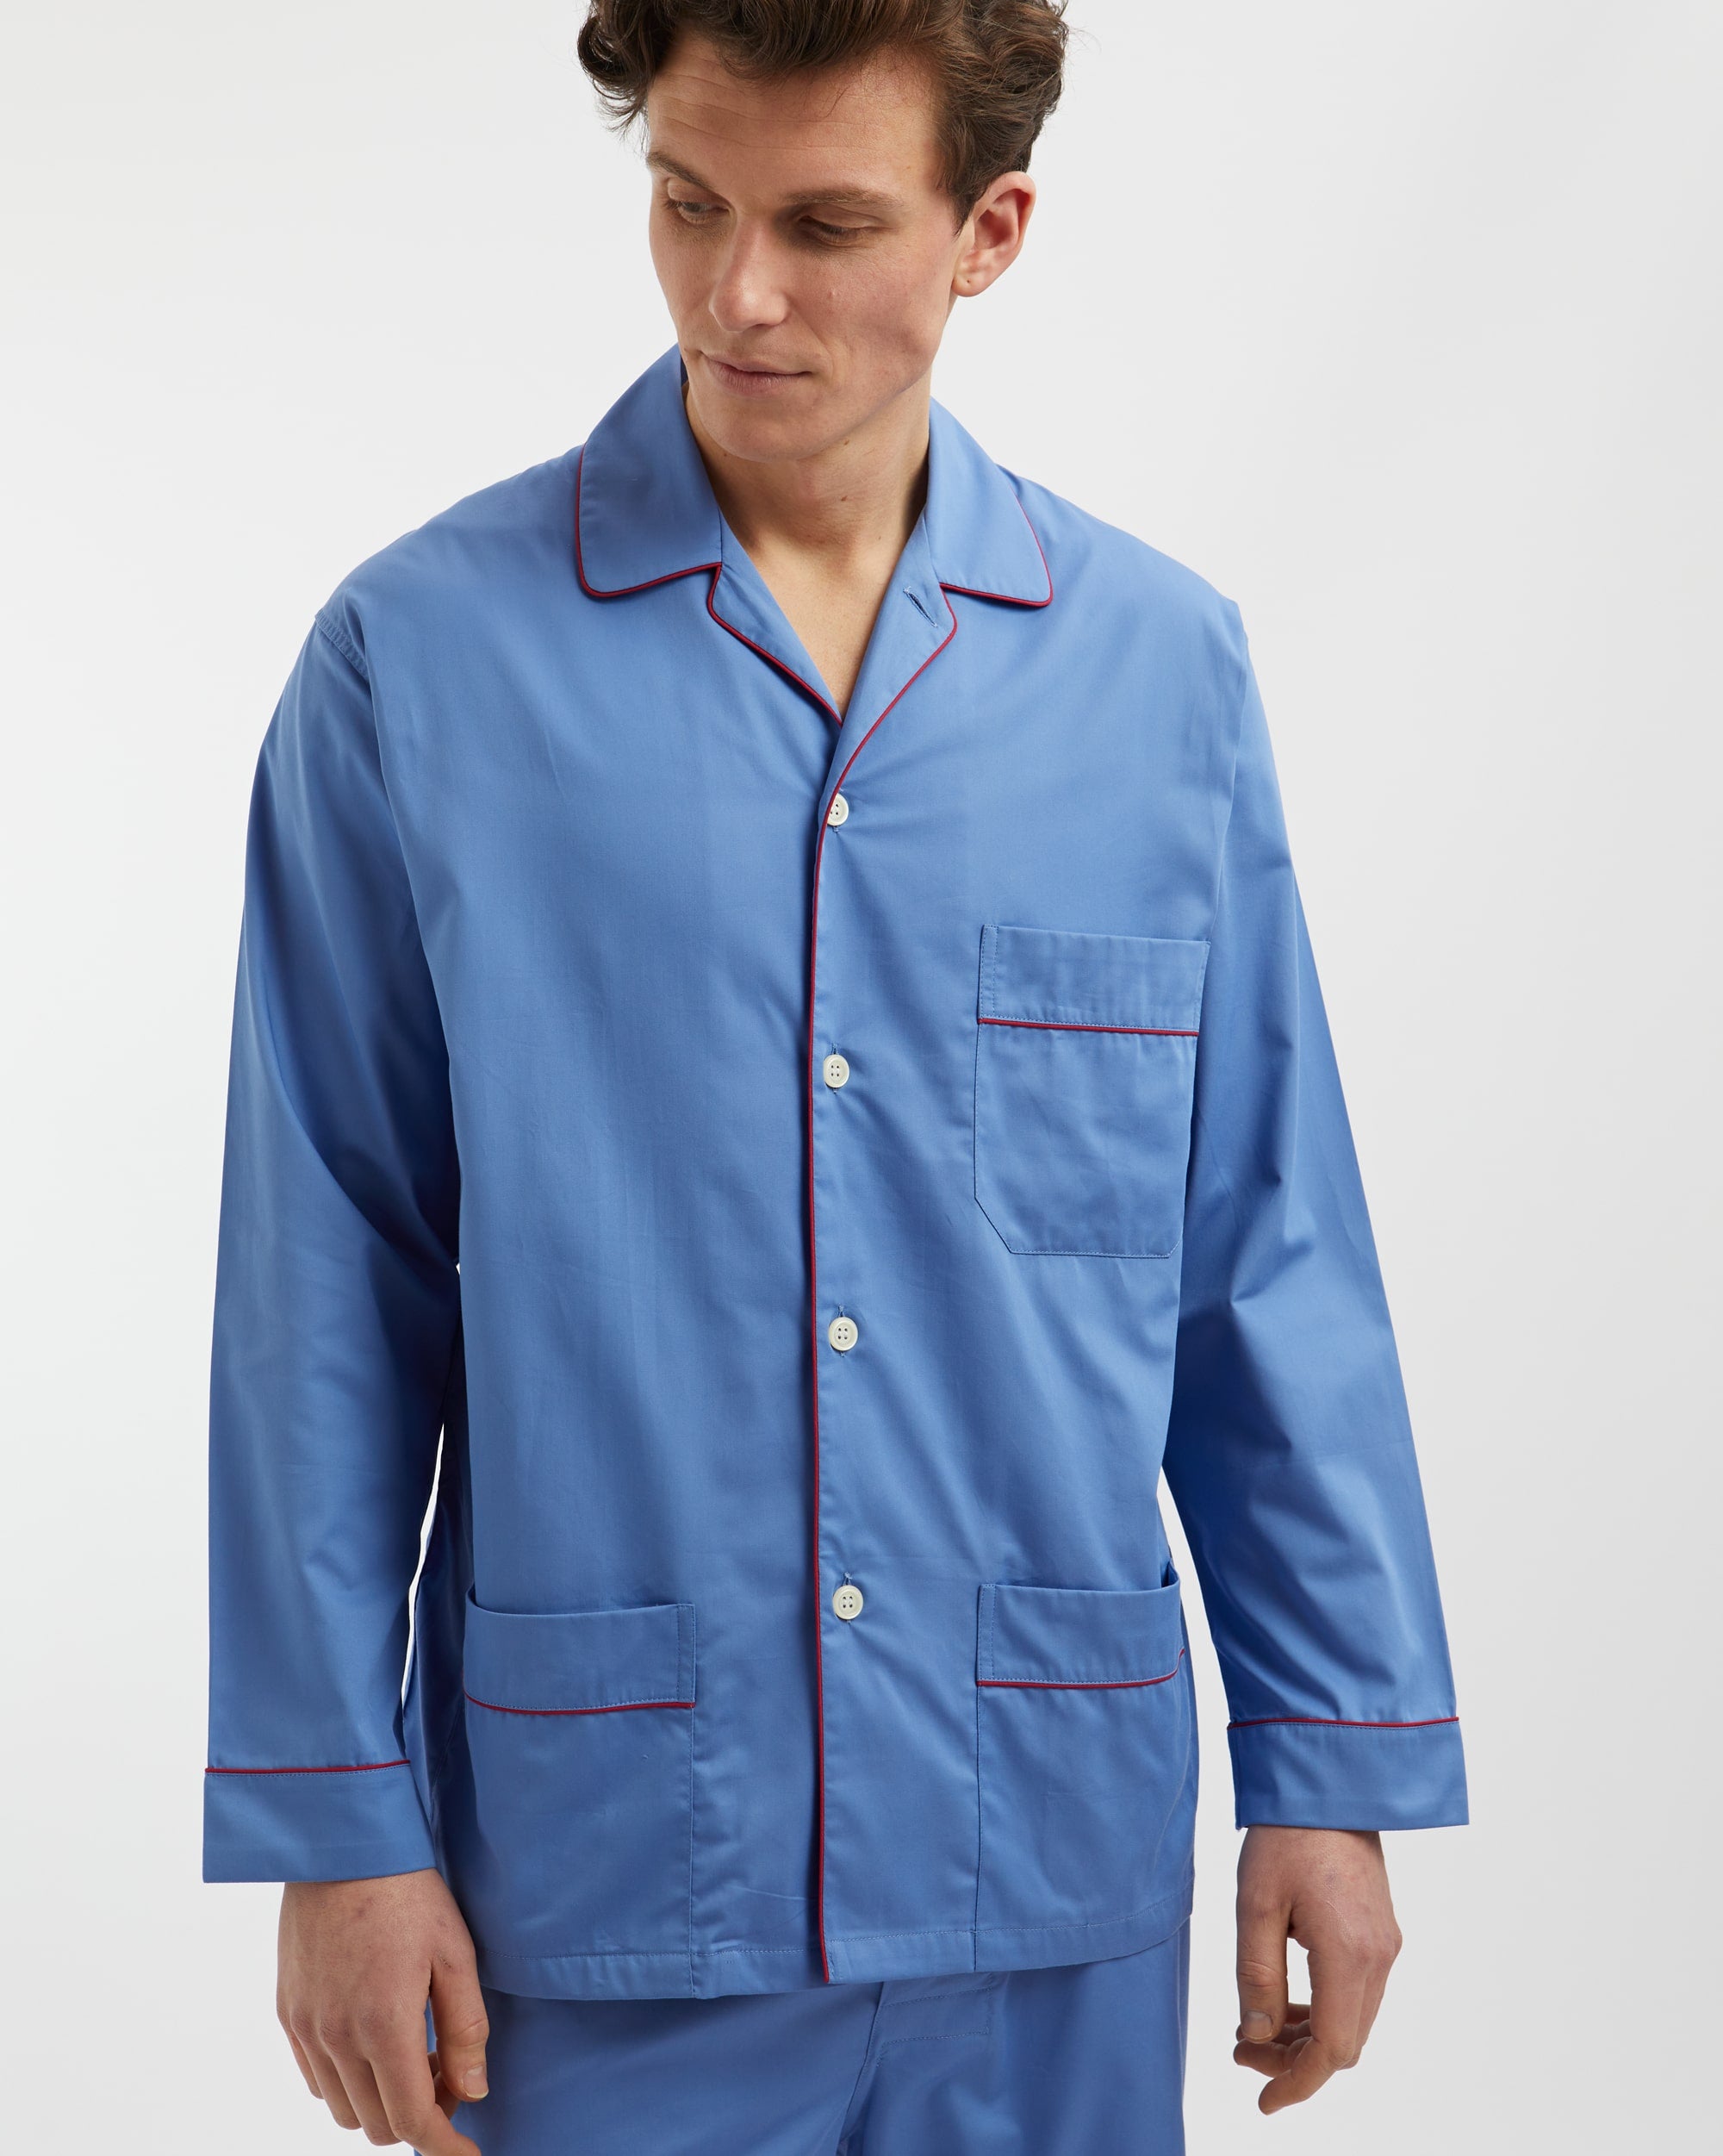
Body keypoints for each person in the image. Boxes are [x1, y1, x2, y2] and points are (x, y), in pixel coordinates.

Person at [202, 3, 1467, 2150]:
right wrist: (338, 1820)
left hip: (1046, 1858)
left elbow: (1259, 1253)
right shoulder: (420, 662)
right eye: (688, 203)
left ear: (992, 230)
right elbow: (326, 1282)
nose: (737, 293)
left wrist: (1326, 1762)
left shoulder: (1157, 674)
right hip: (605, 1876)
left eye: (825, 223)